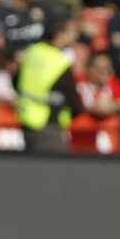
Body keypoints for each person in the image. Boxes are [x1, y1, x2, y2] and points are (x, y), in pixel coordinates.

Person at [16, 18, 82, 152]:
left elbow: (17, 80)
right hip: (47, 124)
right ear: (59, 35)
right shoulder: (59, 61)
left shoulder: (32, 52)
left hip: (24, 118)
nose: (76, 36)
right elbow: (75, 101)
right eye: (72, 32)